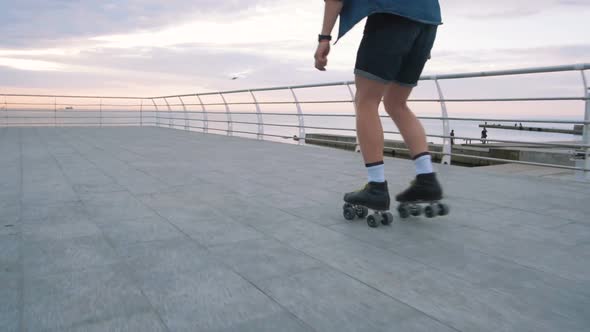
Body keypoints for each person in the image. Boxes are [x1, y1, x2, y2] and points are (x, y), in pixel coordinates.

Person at [315, 0, 443, 213]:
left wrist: (324, 38)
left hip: (390, 17)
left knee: (366, 101)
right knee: (397, 103)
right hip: (427, 23)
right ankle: (426, 179)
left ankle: (376, 187)